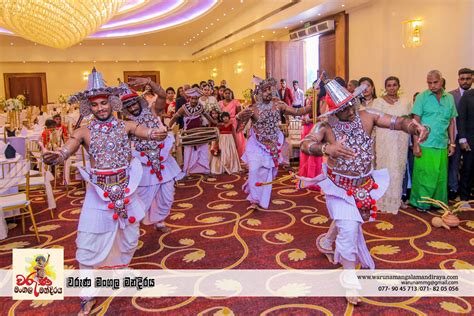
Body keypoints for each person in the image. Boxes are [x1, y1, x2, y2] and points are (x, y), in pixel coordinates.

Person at [41, 68, 167, 315]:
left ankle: (120, 269)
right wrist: (57, 156)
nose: (100, 108)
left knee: (129, 234)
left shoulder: (126, 125)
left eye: (103, 103)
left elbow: (146, 132)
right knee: (89, 241)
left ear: (111, 102)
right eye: (95, 105)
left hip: (126, 189)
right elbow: (67, 150)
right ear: (88, 107)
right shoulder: (83, 131)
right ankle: (88, 294)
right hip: (99, 192)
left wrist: (156, 133)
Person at [298, 78, 428, 305]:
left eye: (351, 103)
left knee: (349, 220)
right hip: (338, 187)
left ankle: (327, 241)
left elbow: (397, 122)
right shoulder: (326, 126)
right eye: (344, 108)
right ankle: (350, 281)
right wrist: (328, 148)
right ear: (335, 110)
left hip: (364, 185)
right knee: (348, 229)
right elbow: (306, 143)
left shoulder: (368, 115)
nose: (351, 109)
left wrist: (414, 127)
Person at [236, 77, 312, 210]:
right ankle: (254, 199)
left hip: (273, 144)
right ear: (258, 93)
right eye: (265, 90)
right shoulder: (252, 109)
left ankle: (256, 191)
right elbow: (239, 129)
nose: (268, 93)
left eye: (270, 90)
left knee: (269, 172)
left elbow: (297, 112)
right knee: (254, 170)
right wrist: (239, 118)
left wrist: (313, 105)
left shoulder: (279, 105)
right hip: (256, 144)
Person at [120, 80, 184, 233]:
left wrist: (149, 82)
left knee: (167, 196)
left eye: (134, 103)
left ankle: (159, 221)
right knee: (143, 198)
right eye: (129, 106)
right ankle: (131, 227)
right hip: (143, 164)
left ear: (139, 102)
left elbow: (162, 95)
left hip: (163, 161)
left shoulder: (153, 110)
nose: (133, 107)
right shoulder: (126, 124)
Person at [410, 70, 457, 212]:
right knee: (425, 175)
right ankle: (421, 203)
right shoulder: (422, 97)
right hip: (425, 144)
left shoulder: (449, 98)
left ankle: (438, 203)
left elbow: (451, 122)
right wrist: (416, 144)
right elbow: (414, 122)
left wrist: (452, 143)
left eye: (435, 82)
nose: (432, 86)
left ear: (441, 81)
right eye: (429, 83)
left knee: (440, 176)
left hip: (442, 143)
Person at [371, 76, 412, 213]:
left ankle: (396, 199)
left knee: (398, 169)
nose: (392, 88)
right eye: (389, 85)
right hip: (385, 139)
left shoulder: (405, 102)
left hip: (401, 139)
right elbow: (375, 120)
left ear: (399, 86)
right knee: (385, 168)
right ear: (385, 88)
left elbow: (408, 121)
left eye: (394, 85)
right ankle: (382, 199)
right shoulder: (378, 102)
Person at [169, 88, 217, 177]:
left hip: (199, 133)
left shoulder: (200, 107)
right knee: (189, 151)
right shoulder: (184, 108)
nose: (194, 100)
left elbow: (207, 116)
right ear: (189, 99)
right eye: (192, 98)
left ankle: (203, 168)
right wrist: (168, 126)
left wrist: (215, 122)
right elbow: (175, 117)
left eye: (196, 98)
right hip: (188, 135)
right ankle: (188, 169)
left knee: (202, 150)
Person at [448, 68, 472, 199]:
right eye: (462, 79)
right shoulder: (450, 95)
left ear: (472, 79)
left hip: (471, 136)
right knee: (454, 164)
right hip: (455, 136)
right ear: (458, 80)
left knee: (469, 165)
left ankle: (468, 190)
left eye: (468, 78)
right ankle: (453, 189)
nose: (465, 81)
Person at [298, 82, 323, 190]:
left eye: (317, 88)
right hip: (308, 127)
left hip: (316, 127)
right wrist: (304, 119)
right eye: (314, 87)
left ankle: (315, 178)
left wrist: (310, 120)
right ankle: (307, 177)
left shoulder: (322, 100)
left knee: (315, 154)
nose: (315, 90)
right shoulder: (311, 98)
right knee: (306, 152)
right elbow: (306, 111)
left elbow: (322, 117)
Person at [458, 88, 474, 207]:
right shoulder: (468, 96)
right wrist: (462, 139)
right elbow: (461, 118)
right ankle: (464, 199)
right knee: (468, 169)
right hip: (470, 140)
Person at [219, 88, 246, 157]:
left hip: (234, 122)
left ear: (231, 94)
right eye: (226, 93)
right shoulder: (220, 103)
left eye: (229, 93)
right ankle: (226, 156)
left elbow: (239, 114)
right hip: (224, 123)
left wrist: (239, 125)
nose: (227, 95)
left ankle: (237, 157)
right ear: (223, 94)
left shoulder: (236, 102)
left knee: (237, 140)